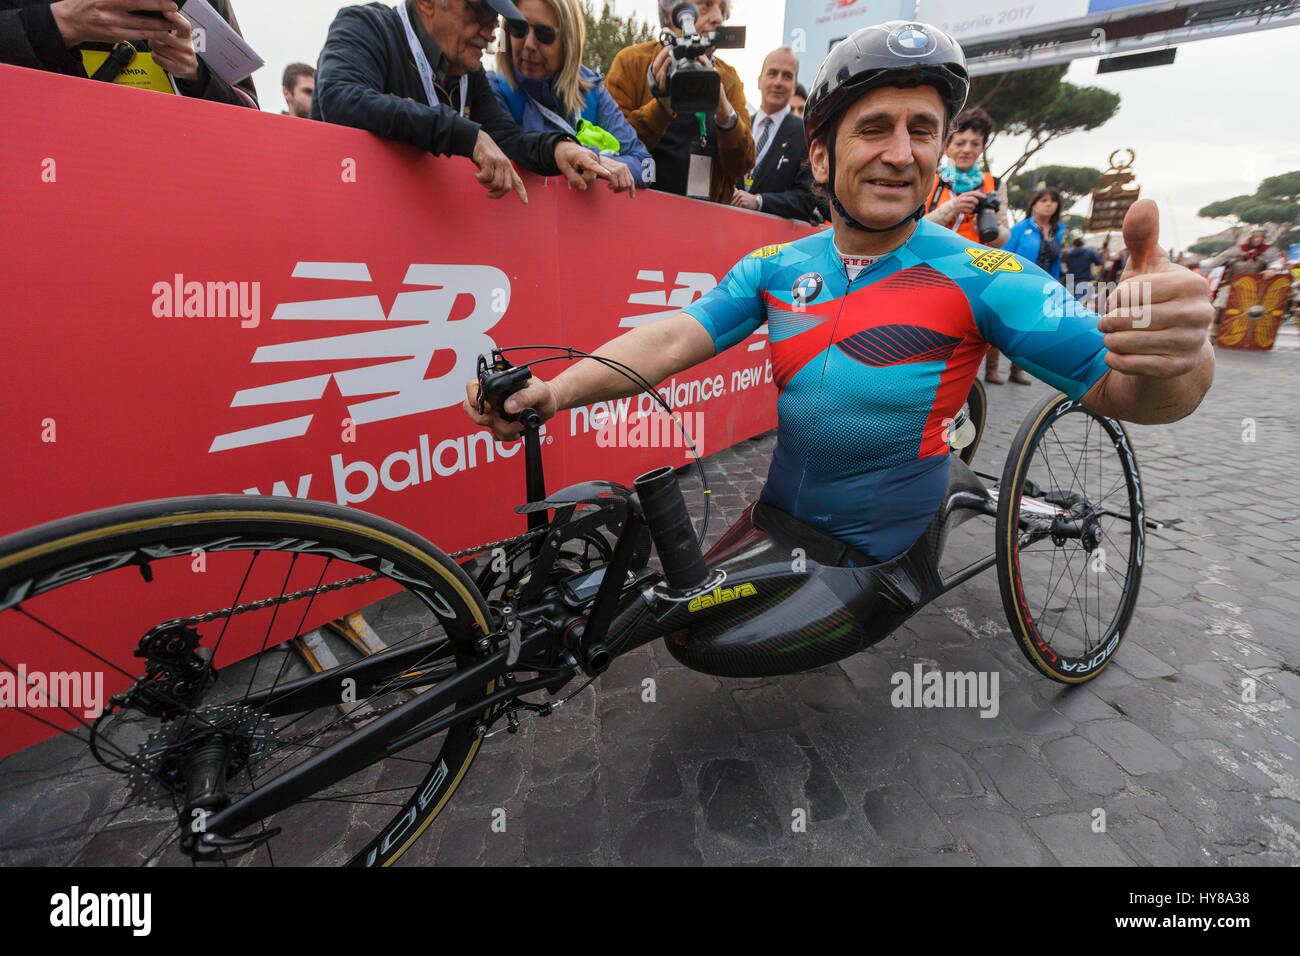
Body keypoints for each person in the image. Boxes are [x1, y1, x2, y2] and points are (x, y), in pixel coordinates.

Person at [464, 21, 1214, 565]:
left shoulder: (986, 275)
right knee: (682, 625)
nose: (901, 153)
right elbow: (667, 340)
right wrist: (556, 394)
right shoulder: (776, 266)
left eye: (924, 130)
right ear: (820, 155)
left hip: (885, 553)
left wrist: (1181, 358)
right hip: (779, 520)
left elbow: (1128, 394)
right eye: (876, 127)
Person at [312, 0, 612, 204]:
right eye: (478, 10)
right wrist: (463, 134)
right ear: (427, 3)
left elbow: (505, 137)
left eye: (495, 17)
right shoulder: (365, 26)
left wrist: (559, 148)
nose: (491, 30)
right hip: (342, 221)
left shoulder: (468, 70)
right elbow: (340, 98)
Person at [487, 0, 647, 193]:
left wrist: (591, 160)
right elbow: (505, 149)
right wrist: (588, 159)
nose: (529, 44)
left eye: (544, 34)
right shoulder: (492, 88)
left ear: (568, 42)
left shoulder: (591, 92)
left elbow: (645, 165)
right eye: (518, 28)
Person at [604, 0, 753, 204]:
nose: (718, 18)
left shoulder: (729, 79)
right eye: (705, 5)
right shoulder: (632, 63)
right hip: (638, 212)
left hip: (704, 221)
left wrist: (724, 111)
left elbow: (742, 166)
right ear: (672, 14)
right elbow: (611, 150)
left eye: (722, 10)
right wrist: (662, 105)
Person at [1, 0, 258, 107]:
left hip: (172, 188)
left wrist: (195, 75)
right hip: (37, 177)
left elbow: (248, 117)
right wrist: (51, 25)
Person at [922, 105, 1013, 382]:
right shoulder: (932, 178)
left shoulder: (993, 184)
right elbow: (915, 226)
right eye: (960, 142)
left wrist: (992, 232)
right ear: (946, 146)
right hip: (932, 270)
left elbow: (1005, 231)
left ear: (983, 147)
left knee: (966, 344)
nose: (967, 149)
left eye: (975, 143)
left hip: (975, 272)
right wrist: (953, 208)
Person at [729, 46, 814, 220]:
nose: (778, 82)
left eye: (787, 76)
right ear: (759, 81)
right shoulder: (737, 126)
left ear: (794, 86)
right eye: (772, 73)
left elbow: (807, 198)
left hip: (772, 242)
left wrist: (760, 202)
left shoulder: (805, 134)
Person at [997, 187, 1066, 384]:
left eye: (1053, 201)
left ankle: (1016, 370)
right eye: (1043, 200)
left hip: (1043, 287)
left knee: (1028, 329)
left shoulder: (1057, 231)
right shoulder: (1020, 228)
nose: (1048, 204)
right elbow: (1005, 254)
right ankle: (991, 369)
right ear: (1034, 204)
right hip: (1017, 285)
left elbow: (1056, 260)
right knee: (999, 323)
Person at [1199, 226, 1274, 341]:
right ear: (1251, 237)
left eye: (1260, 237)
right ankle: (1214, 332)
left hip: (1255, 287)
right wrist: (1204, 271)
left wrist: (1273, 269)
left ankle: (1249, 336)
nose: (1258, 239)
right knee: (1221, 306)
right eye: (1256, 236)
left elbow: (1277, 261)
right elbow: (1217, 261)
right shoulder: (1237, 250)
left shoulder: (1269, 251)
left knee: (1255, 311)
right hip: (1232, 284)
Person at [1062, 236, 1103, 300]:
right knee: (1080, 303)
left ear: (1073, 245)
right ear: (1082, 244)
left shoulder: (1068, 254)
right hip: (1083, 281)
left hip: (1070, 280)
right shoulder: (1089, 253)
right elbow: (1099, 262)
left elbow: (1067, 266)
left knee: (1069, 303)